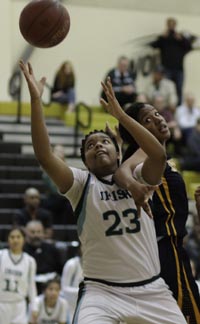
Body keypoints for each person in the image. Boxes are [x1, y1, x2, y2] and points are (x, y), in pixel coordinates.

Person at [19, 59, 187, 324]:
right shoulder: (80, 184)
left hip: (152, 291)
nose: (98, 146)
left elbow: (158, 153)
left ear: (119, 152)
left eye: (105, 142)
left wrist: (121, 116)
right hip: (101, 292)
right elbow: (44, 155)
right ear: (85, 162)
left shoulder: (138, 175)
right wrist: (36, 101)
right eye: (90, 146)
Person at [116, 102, 200, 323]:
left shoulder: (163, 158)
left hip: (169, 249)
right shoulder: (145, 153)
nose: (158, 118)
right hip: (163, 251)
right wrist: (133, 187)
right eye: (147, 120)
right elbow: (121, 171)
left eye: (156, 113)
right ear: (137, 132)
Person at [149, 17, 193, 105]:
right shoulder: (164, 38)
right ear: (167, 25)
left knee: (179, 89)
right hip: (166, 69)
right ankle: (165, 106)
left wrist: (181, 39)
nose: (171, 26)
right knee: (166, 88)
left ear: (175, 25)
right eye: (170, 24)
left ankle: (179, 107)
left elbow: (189, 47)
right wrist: (162, 37)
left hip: (179, 68)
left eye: (173, 24)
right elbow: (153, 45)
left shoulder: (180, 37)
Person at [0, 226, 37, 324]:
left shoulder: (30, 261)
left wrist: (34, 307)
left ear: (24, 239)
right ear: (8, 239)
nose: (15, 240)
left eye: (18, 237)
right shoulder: (1, 255)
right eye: (12, 237)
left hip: (19, 305)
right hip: (2, 303)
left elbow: (31, 286)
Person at [24, 220, 62, 294]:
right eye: (32, 232)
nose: (36, 235)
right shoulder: (22, 250)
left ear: (43, 233)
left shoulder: (52, 249)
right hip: (29, 286)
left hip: (50, 287)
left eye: (39, 232)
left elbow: (60, 269)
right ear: (26, 233)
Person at [42, 144, 74, 224]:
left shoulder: (70, 169)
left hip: (65, 199)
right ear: (53, 153)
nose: (60, 153)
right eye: (57, 151)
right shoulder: (47, 170)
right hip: (53, 198)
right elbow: (53, 189)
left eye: (61, 151)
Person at [61, 246, 83, 323]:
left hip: (86, 302)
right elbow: (64, 288)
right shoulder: (71, 264)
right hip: (70, 303)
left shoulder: (94, 265)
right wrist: (83, 291)